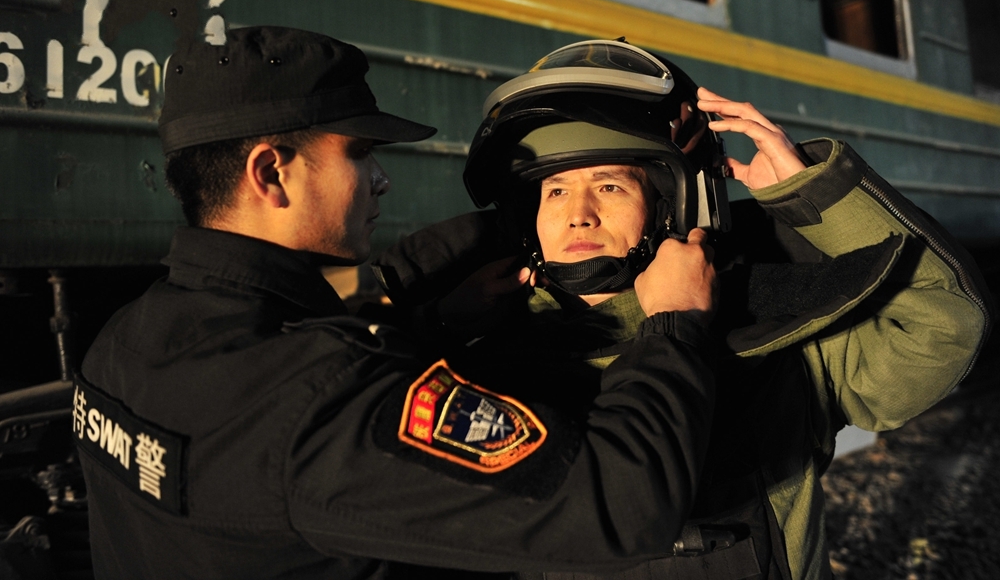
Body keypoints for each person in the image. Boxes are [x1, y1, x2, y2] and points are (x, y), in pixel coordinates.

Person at [72, 27, 721, 579]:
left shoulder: (122, 340)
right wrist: (673, 325)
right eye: (359, 154)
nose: (380, 179)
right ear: (271, 173)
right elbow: (621, 504)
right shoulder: (319, 397)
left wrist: (437, 324)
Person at [372, 39, 995, 580]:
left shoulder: (774, 341)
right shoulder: (474, 358)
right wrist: (440, 325)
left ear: (674, 208)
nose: (577, 214)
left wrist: (811, 194)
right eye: (554, 189)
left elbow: (946, 321)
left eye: (609, 185)